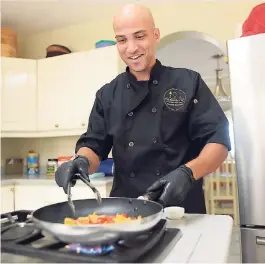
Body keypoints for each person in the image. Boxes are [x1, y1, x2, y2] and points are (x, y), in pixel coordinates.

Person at [55, 4, 231, 214]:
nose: (131, 48)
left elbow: (218, 141)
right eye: (122, 39)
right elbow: (94, 145)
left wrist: (188, 173)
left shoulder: (187, 82)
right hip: (125, 210)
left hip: (181, 209)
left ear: (155, 35)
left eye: (139, 36)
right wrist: (81, 161)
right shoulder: (107, 94)